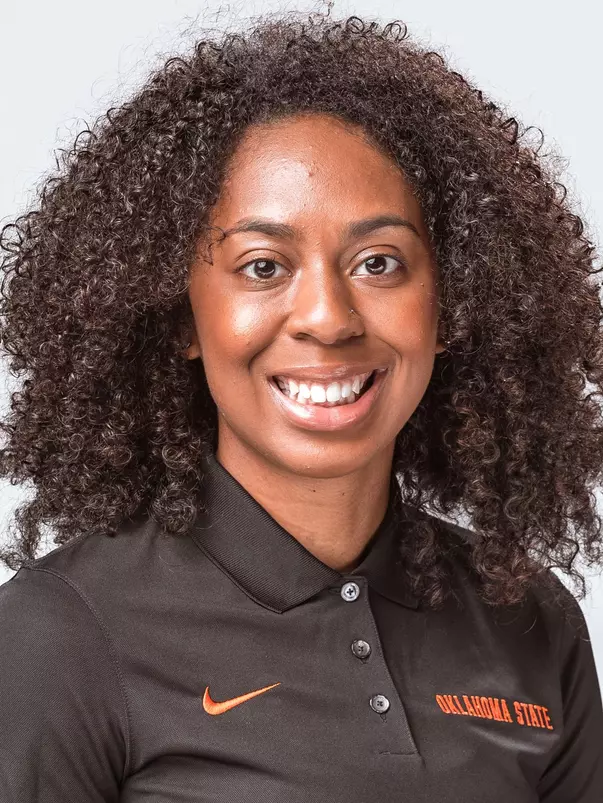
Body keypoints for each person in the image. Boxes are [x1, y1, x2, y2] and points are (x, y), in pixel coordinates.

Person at [0, 10, 602, 802]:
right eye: (262, 266)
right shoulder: (63, 632)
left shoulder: (531, 621)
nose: (326, 317)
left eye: (378, 262)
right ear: (181, 316)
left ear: (450, 305)